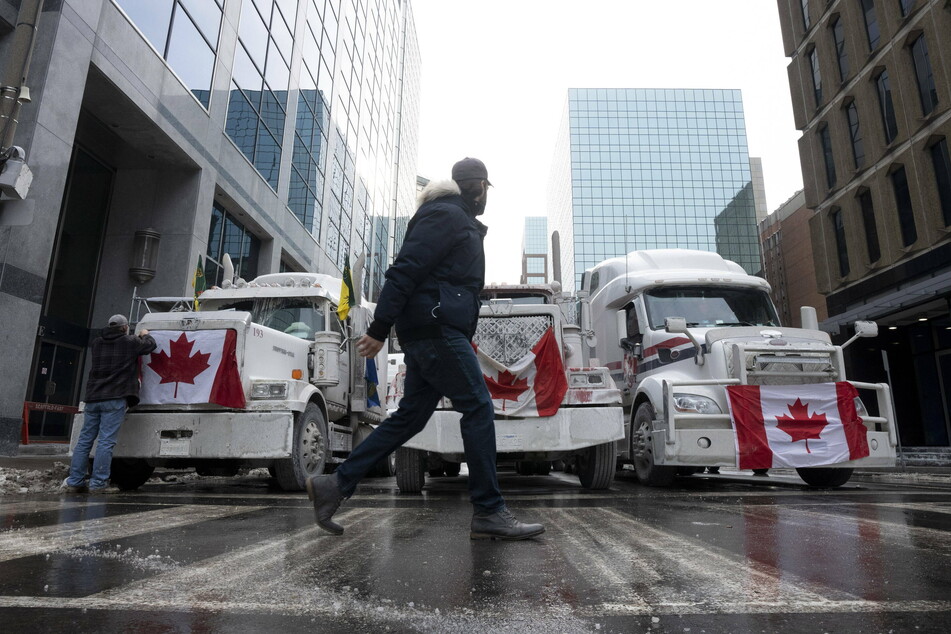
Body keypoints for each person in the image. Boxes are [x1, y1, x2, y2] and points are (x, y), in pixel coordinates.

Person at [307, 157, 544, 540]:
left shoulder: (453, 216)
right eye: (486, 189)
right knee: (479, 407)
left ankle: (334, 485)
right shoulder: (446, 215)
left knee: (410, 418)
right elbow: (406, 269)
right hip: (435, 329)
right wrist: (380, 327)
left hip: (433, 328)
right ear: (479, 186)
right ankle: (488, 510)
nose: (486, 197)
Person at [63, 314, 157, 493]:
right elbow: (151, 345)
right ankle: (98, 483)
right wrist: (145, 334)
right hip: (115, 398)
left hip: (93, 398)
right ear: (124, 328)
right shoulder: (129, 342)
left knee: (84, 441)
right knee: (106, 442)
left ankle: (75, 481)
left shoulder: (97, 343)